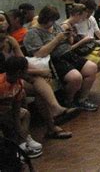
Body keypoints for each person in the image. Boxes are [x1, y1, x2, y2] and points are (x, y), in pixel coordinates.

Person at [1, 11, 77, 139]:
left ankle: (53, 120)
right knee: (34, 81)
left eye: (3, 20)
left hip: (14, 78)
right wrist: (39, 71)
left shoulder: (10, 41)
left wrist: (37, 72)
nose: (2, 23)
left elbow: (22, 65)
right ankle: (26, 135)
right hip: (4, 80)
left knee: (38, 86)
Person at [23, 6, 98, 111]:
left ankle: (82, 99)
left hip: (68, 54)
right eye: (51, 21)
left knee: (92, 68)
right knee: (75, 78)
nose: (52, 23)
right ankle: (68, 100)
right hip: (54, 60)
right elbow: (39, 53)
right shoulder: (33, 33)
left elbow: (68, 43)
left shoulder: (55, 26)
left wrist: (69, 36)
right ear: (45, 19)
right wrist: (57, 39)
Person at [0, 56, 43, 158]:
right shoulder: (1, 84)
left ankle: (21, 145)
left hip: (7, 112)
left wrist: (19, 127)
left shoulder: (19, 84)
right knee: (8, 123)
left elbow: (16, 106)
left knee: (25, 114)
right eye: (26, 69)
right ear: (19, 72)